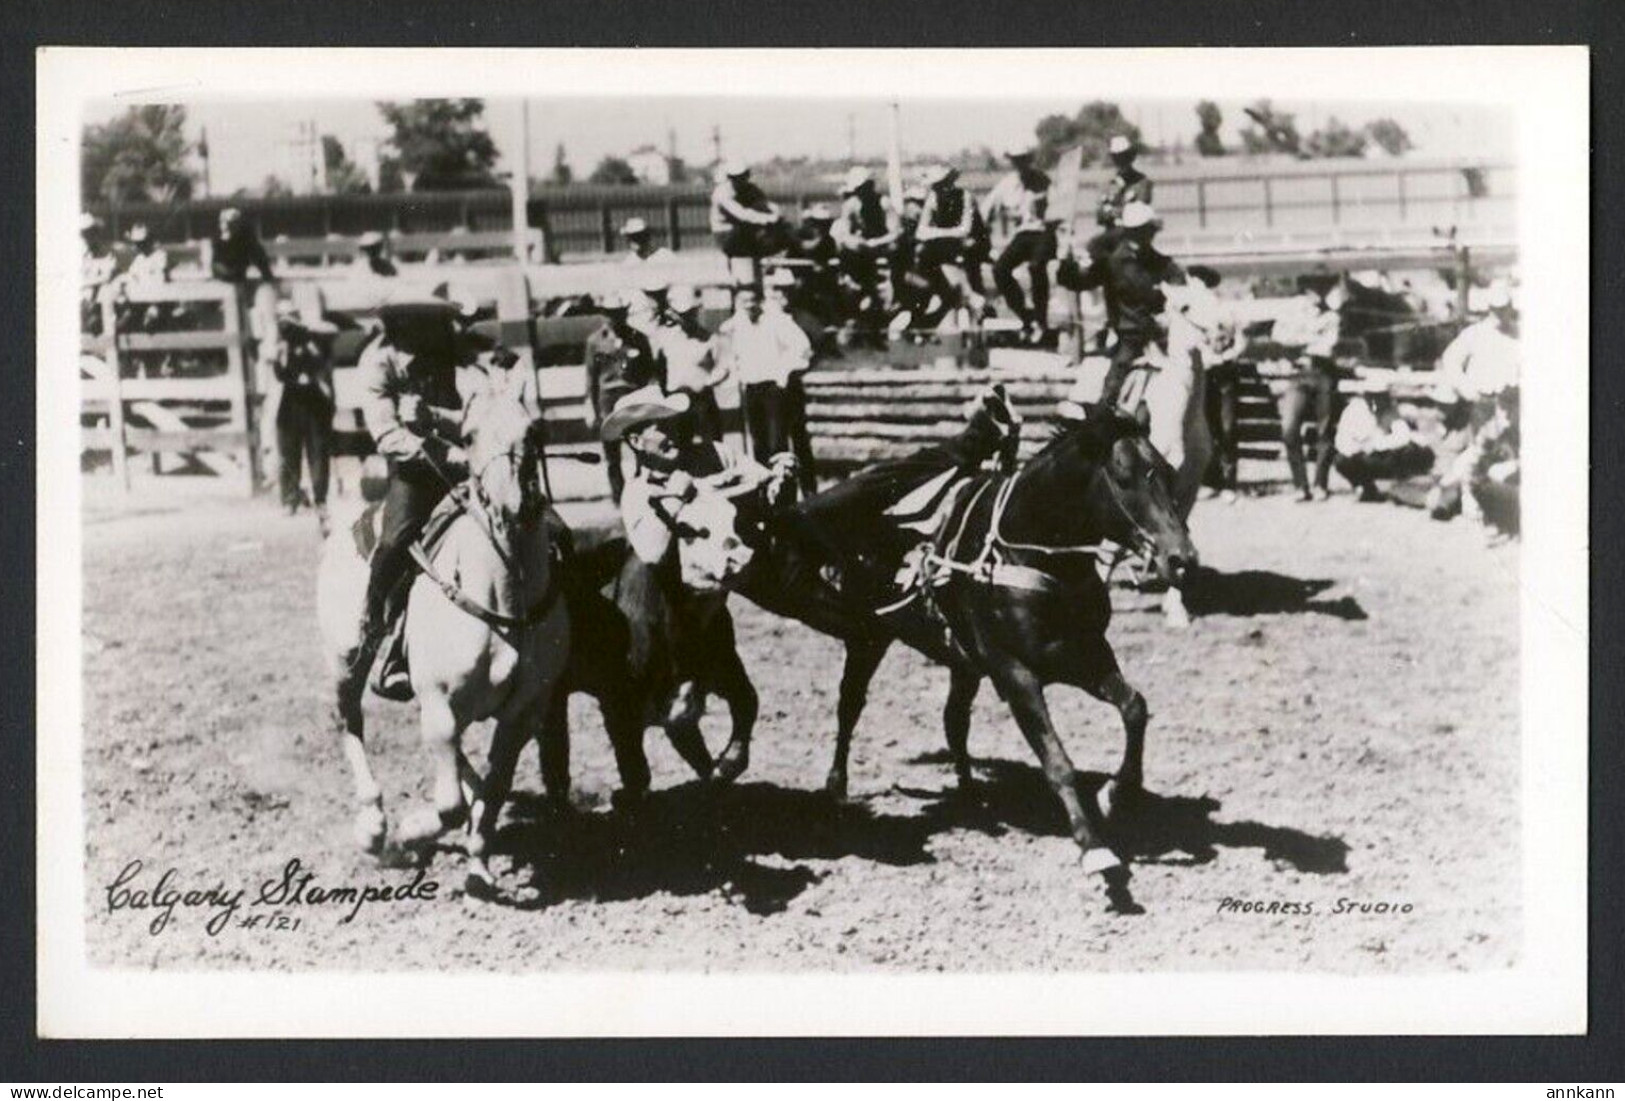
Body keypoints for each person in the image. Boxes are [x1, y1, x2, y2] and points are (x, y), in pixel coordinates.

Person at [337, 296, 481, 703]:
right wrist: (447, 455)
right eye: (423, 322)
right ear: (399, 325)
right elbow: (386, 434)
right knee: (395, 540)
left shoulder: (455, 354)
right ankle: (380, 636)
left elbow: (477, 403)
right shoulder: (378, 363)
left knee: (537, 520)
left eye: (437, 322)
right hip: (417, 473)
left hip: (471, 460)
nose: (433, 331)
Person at [1064, 201, 1185, 407]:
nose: (1146, 236)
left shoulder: (1160, 262)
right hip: (1130, 334)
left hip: (1163, 333)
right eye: (1140, 231)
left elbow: (1179, 287)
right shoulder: (1113, 263)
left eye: (1147, 231)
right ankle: (1104, 416)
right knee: (1117, 377)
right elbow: (1081, 281)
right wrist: (1066, 263)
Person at [716, 285, 815, 490]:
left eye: (753, 300)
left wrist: (783, 373)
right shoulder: (737, 324)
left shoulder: (776, 321)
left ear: (760, 301)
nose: (749, 305)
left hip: (774, 390)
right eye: (744, 301)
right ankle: (765, 496)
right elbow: (725, 333)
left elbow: (802, 347)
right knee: (758, 444)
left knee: (777, 444)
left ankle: (786, 495)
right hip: (751, 389)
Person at [1270, 277, 1348, 502]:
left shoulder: (1332, 316)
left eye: (1320, 290)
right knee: (1289, 428)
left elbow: (1326, 347)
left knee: (1324, 429)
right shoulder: (1295, 312)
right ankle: (1300, 485)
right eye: (1310, 291)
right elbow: (1278, 335)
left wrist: (1299, 338)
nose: (1314, 296)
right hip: (1298, 375)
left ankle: (1320, 484)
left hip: (1323, 374)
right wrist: (1309, 335)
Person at [584, 290, 665, 503]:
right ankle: (619, 497)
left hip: (632, 398)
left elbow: (650, 372)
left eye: (619, 312)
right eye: (610, 313)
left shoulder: (638, 338)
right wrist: (591, 408)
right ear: (603, 315)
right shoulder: (595, 341)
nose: (614, 318)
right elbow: (591, 378)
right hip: (608, 400)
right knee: (612, 455)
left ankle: (646, 491)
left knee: (642, 447)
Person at [269, 299, 338, 530]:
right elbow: (278, 372)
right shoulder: (279, 342)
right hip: (288, 402)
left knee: (318, 453)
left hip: (314, 401)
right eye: (282, 317)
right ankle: (290, 499)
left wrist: (305, 332)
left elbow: (323, 353)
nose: (286, 322)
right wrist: (281, 346)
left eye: (290, 316)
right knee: (288, 453)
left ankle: (320, 499)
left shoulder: (313, 336)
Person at [981, 146, 1056, 344]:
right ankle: (1026, 316)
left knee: (1036, 267)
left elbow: (1059, 210)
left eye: (1024, 159)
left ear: (1029, 160)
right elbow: (984, 212)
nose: (1020, 164)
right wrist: (985, 240)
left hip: (1043, 232)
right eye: (1016, 159)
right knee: (1000, 270)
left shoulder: (1043, 181)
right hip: (1022, 235)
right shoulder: (1006, 185)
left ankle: (1042, 321)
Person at [650, 285, 727, 444]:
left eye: (690, 313)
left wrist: (709, 380)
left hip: (702, 399)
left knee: (713, 444)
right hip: (676, 399)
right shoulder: (664, 337)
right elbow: (658, 371)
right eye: (682, 314)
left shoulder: (709, 338)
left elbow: (723, 366)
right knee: (679, 447)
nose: (687, 318)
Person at [1332, 384, 1434, 502]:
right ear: (1365, 395)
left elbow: (1403, 436)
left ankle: (1401, 489)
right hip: (1361, 457)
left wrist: (1376, 444)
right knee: (1341, 460)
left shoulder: (1390, 410)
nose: (1376, 400)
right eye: (1372, 395)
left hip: (1384, 457)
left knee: (1408, 451)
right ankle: (1367, 488)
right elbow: (1341, 441)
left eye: (1380, 396)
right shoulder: (1353, 410)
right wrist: (1359, 448)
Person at [831, 167, 901, 332]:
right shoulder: (850, 205)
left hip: (884, 248)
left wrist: (877, 242)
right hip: (860, 250)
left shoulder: (884, 203)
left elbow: (895, 232)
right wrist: (858, 242)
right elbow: (845, 233)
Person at [914, 165, 981, 330]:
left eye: (941, 184)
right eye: (935, 185)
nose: (938, 189)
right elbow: (921, 231)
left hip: (970, 245)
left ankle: (968, 305)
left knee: (953, 258)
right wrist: (948, 233)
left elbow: (966, 230)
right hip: (944, 248)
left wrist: (937, 233)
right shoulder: (933, 198)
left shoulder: (965, 197)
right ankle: (960, 299)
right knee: (926, 255)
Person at [709, 160, 797, 262]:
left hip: (745, 230)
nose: (740, 180)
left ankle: (779, 257)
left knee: (786, 229)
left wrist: (776, 212)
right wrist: (770, 218)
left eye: (743, 176)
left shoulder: (751, 188)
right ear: (729, 178)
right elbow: (742, 215)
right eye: (735, 178)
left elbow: (764, 204)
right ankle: (766, 256)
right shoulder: (722, 193)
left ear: (748, 175)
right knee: (750, 226)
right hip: (726, 234)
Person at [210, 208, 276, 286]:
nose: (227, 227)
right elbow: (216, 264)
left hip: (238, 275)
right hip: (223, 277)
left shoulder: (247, 239)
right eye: (224, 223)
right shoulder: (218, 239)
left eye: (232, 224)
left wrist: (267, 275)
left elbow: (260, 260)